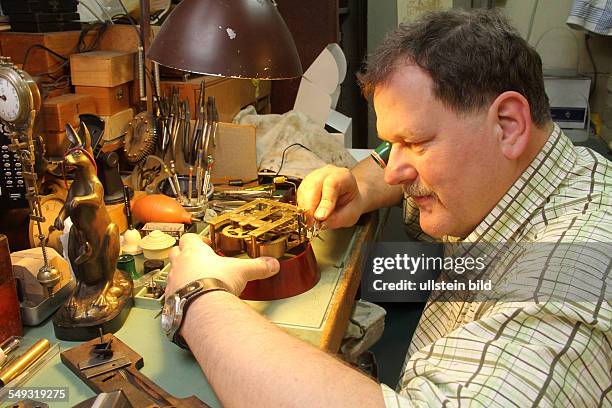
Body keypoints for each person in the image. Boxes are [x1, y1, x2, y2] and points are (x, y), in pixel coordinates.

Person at [166, 8, 611, 407]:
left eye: (414, 142)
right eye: (391, 142)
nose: (394, 169)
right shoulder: (514, 177)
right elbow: (389, 168)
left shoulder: (565, 282)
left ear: (508, 124)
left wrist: (198, 299)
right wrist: (358, 187)